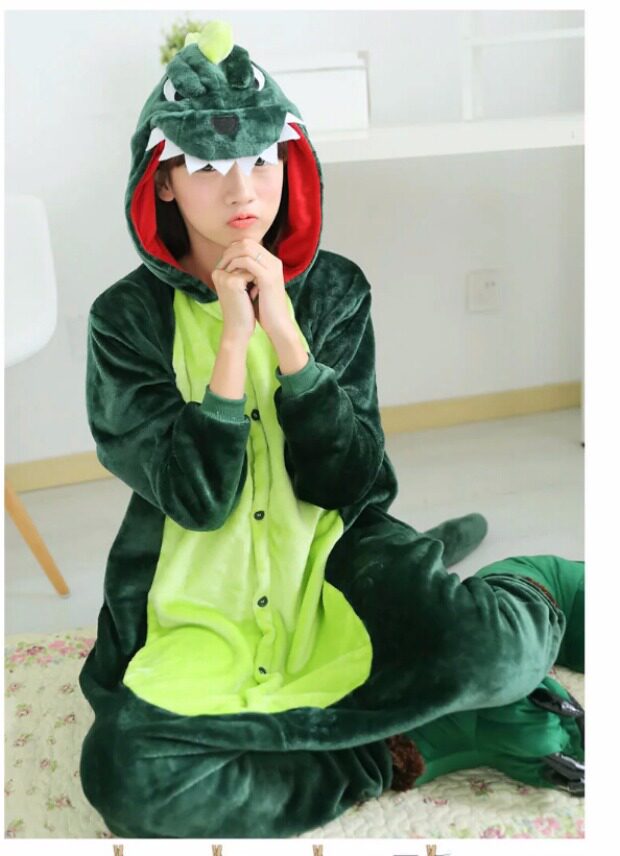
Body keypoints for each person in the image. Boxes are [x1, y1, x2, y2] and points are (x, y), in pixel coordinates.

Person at [78, 20, 584, 839]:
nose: (243, 191)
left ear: (292, 162)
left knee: (493, 651)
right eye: (207, 167)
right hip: (197, 599)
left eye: (262, 160)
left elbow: (354, 484)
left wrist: (289, 340)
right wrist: (232, 346)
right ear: (162, 181)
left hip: (335, 562)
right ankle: (406, 749)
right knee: (127, 780)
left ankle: (537, 582)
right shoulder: (124, 320)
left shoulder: (336, 291)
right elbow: (198, 501)